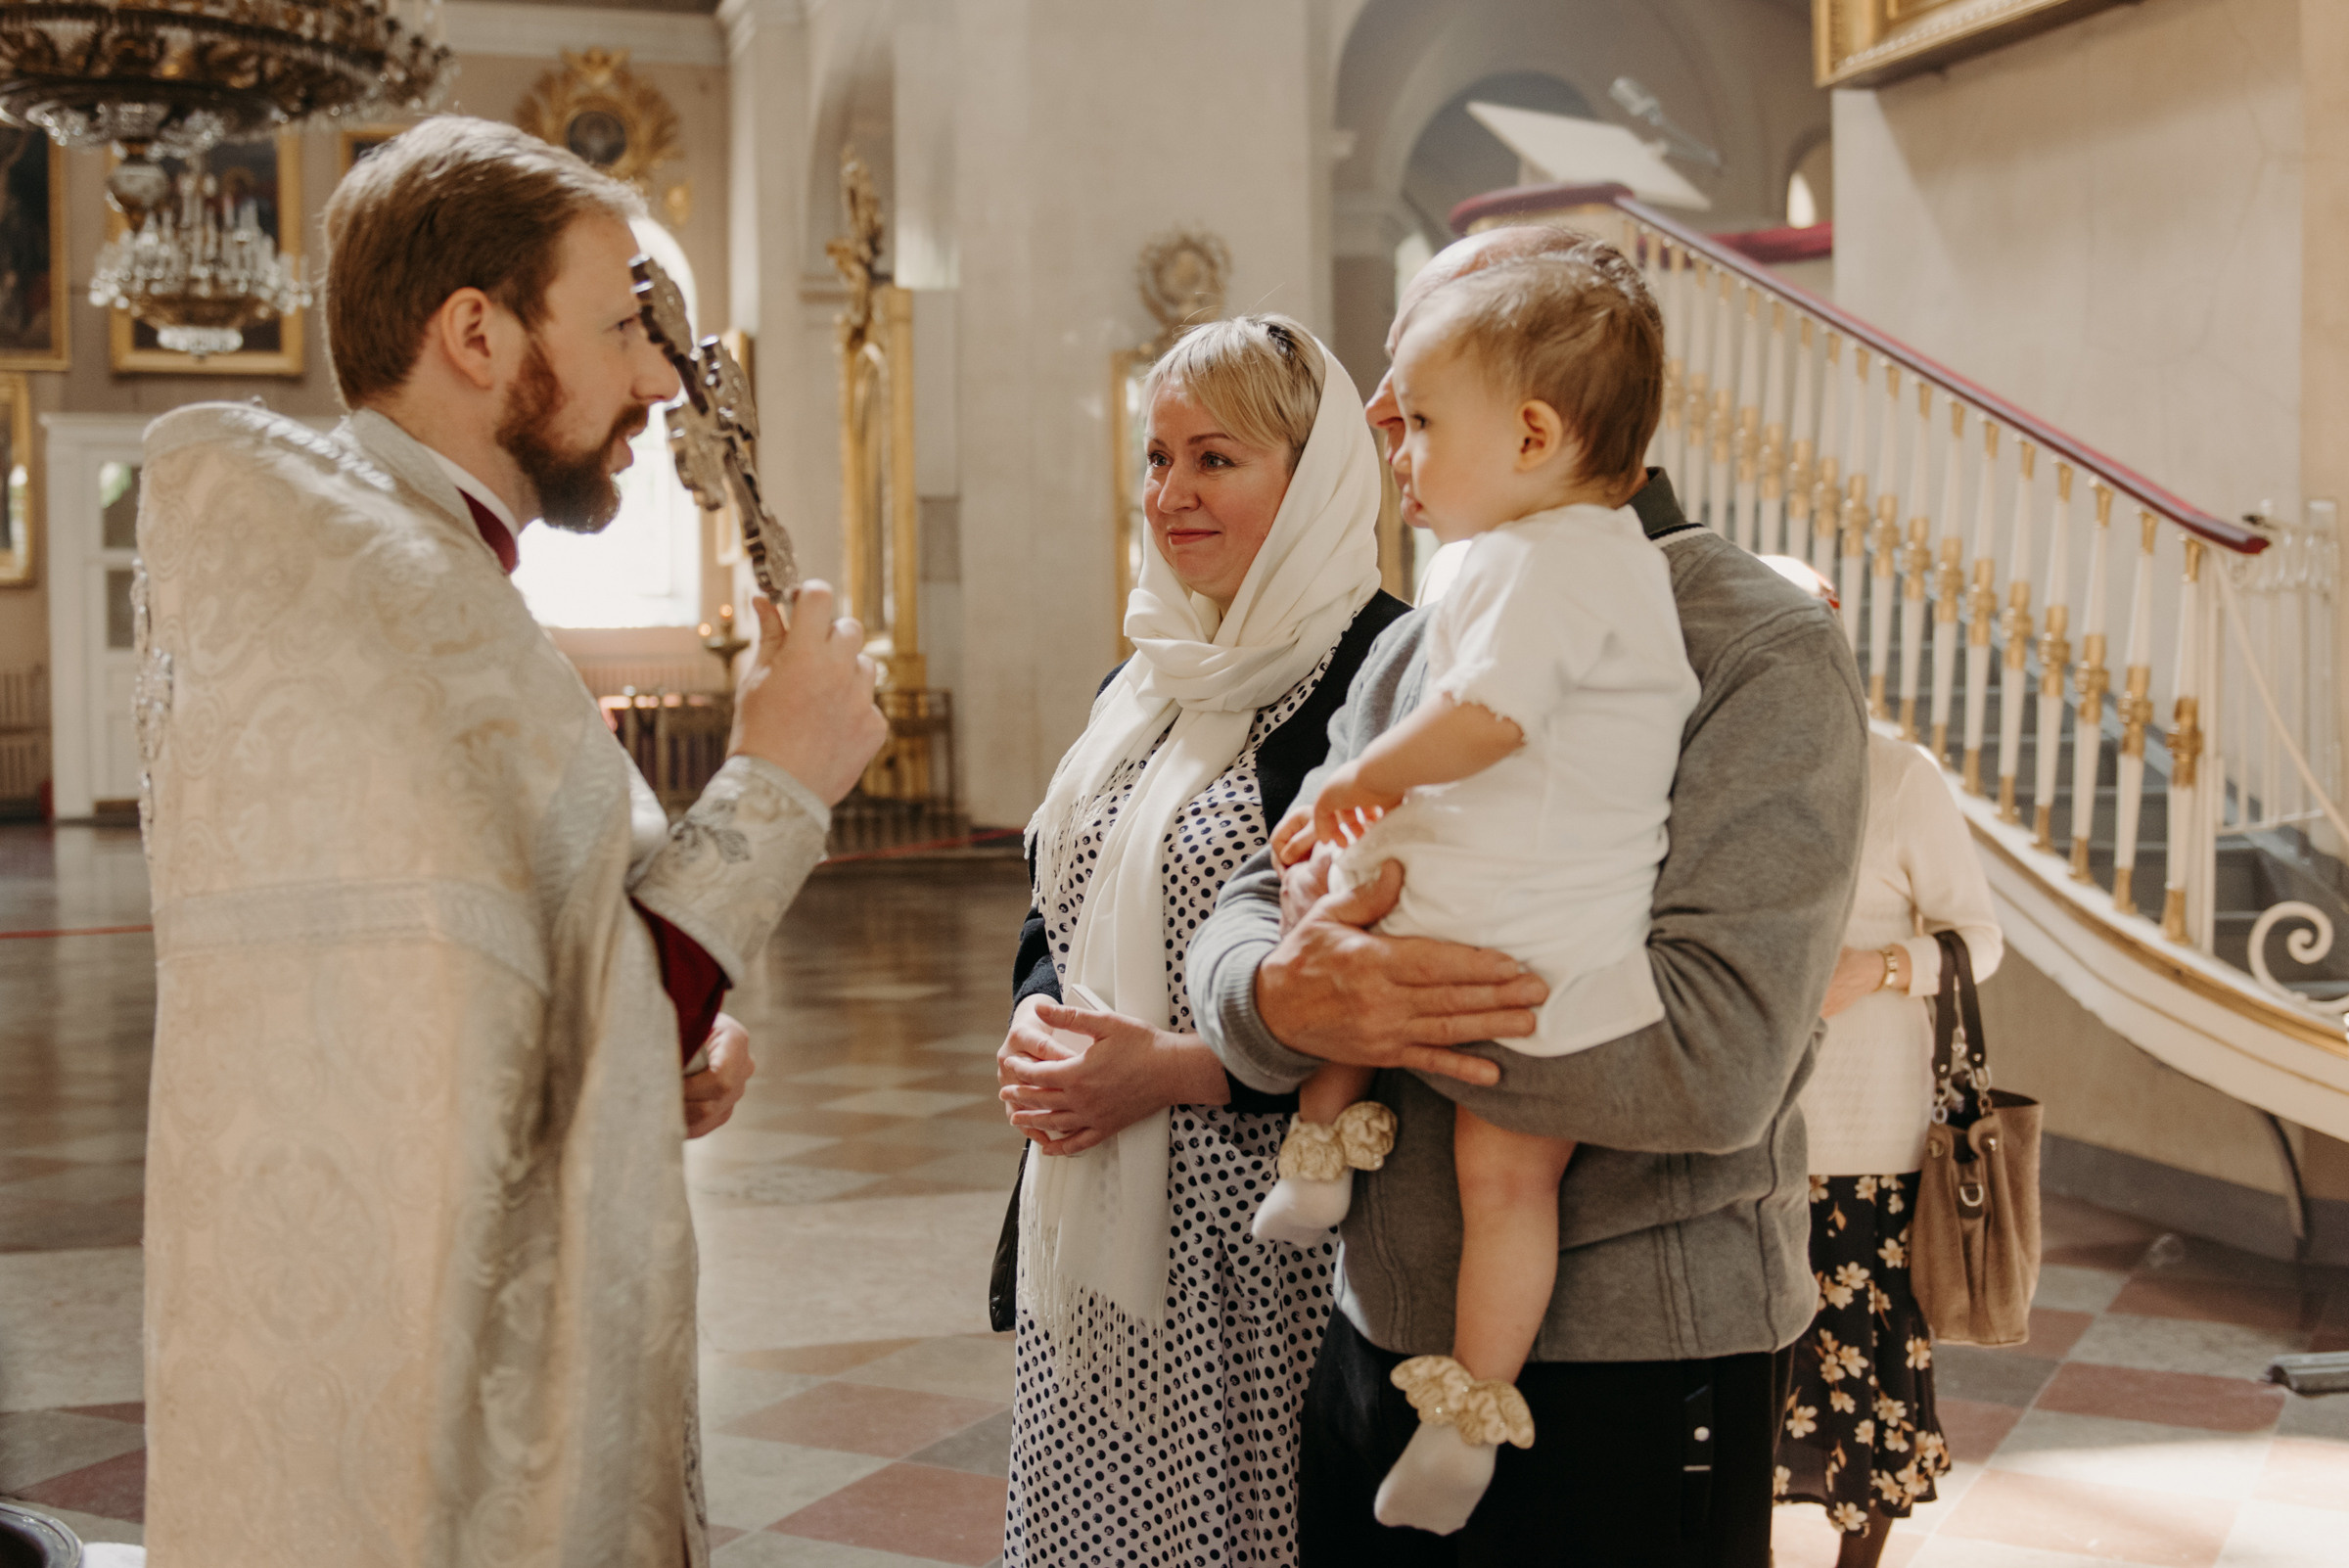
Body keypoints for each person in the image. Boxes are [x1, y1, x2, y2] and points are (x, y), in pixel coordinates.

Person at [132, 117, 886, 1568]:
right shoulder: (391, 596)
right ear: (475, 331)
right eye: (619, 326)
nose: (658, 380)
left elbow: (485, 1008)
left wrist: (656, 1038)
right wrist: (780, 781)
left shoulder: (408, 579)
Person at [1184, 223, 1869, 1566]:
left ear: (1537, 423)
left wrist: (1383, 1016)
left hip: (1627, 1359)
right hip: (1375, 1320)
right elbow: (1260, 901)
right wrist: (1276, 994)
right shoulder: (1428, 634)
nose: (1382, 416)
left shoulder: (1760, 648)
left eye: (1421, 383)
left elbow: (1718, 1055)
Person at [994, 313, 1453, 1566]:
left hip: (1272, 1238)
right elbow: (1059, 898)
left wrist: (1173, 1069)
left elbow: (1402, 986)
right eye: (1156, 459)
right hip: (1097, 1205)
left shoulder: (1385, 676)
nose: (1171, 495)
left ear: (1308, 481)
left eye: (1216, 459)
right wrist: (1041, 1015)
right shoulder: (1145, 679)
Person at [1254, 255, 1698, 1536]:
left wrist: (1358, 779)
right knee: (1499, 1165)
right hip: (1517, 903)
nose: (1397, 441)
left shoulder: (1554, 561)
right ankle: (1456, 1388)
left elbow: (1490, 716)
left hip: (1531, 919)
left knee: (1496, 1153)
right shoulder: (1524, 554)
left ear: (1534, 435)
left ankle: (1457, 1393)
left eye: (1424, 419)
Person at [1753, 558, 2003, 1565]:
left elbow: (1977, 940)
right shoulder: (1710, 774)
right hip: (1747, 1124)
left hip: (1871, 1140)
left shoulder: (1899, 775)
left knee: (1865, 1373)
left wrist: (1879, 967)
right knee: (1750, 1375)